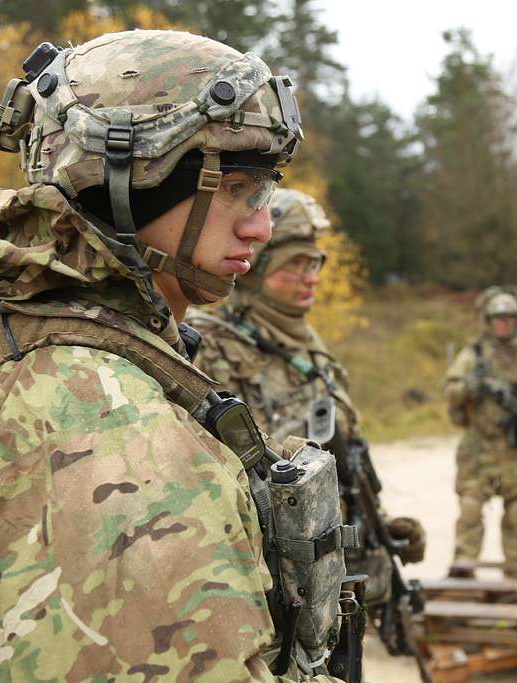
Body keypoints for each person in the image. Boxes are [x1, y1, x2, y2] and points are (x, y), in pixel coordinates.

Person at [0, 30, 345, 681]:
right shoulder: (102, 427)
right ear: (135, 181)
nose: (260, 223)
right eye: (238, 187)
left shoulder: (23, 343)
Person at [188, 189, 425, 651]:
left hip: (327, 585)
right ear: (256, 268)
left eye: (314, 263)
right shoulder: (208, 345)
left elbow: (343, 461)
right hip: (260, 589)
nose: (308, 277)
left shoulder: (313, 351)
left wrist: (378, 529)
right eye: (293, 264)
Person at [443, 286, 517, 575]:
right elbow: (451, 389)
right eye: (497, 318)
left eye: (509, 318)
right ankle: (464, 566)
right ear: (488, 320)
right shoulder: (474, 354)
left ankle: (515, 568)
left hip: (515, 445)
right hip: (479, 444)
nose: (503, 324)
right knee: (471, 506)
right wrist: (473, 386)